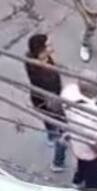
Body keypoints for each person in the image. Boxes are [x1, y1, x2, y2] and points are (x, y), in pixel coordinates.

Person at [24, 33, 67, 172]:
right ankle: (57, 161)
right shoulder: (40, 71)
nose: (52, 45)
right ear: (41, 49)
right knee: (63, 129)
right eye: (48, 44)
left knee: (50, 123)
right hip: (49, 102)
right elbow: (50, 89)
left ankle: (51, 135)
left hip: (45, 100)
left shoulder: (41, 59)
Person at [64, 71, 97, 189]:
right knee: (94, 176)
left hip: (76, 142)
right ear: (95, 91)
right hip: (90, 153)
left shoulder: (69, 91)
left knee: (81, 165)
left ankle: (77, 181)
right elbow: (95, 143)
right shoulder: (93, 115)